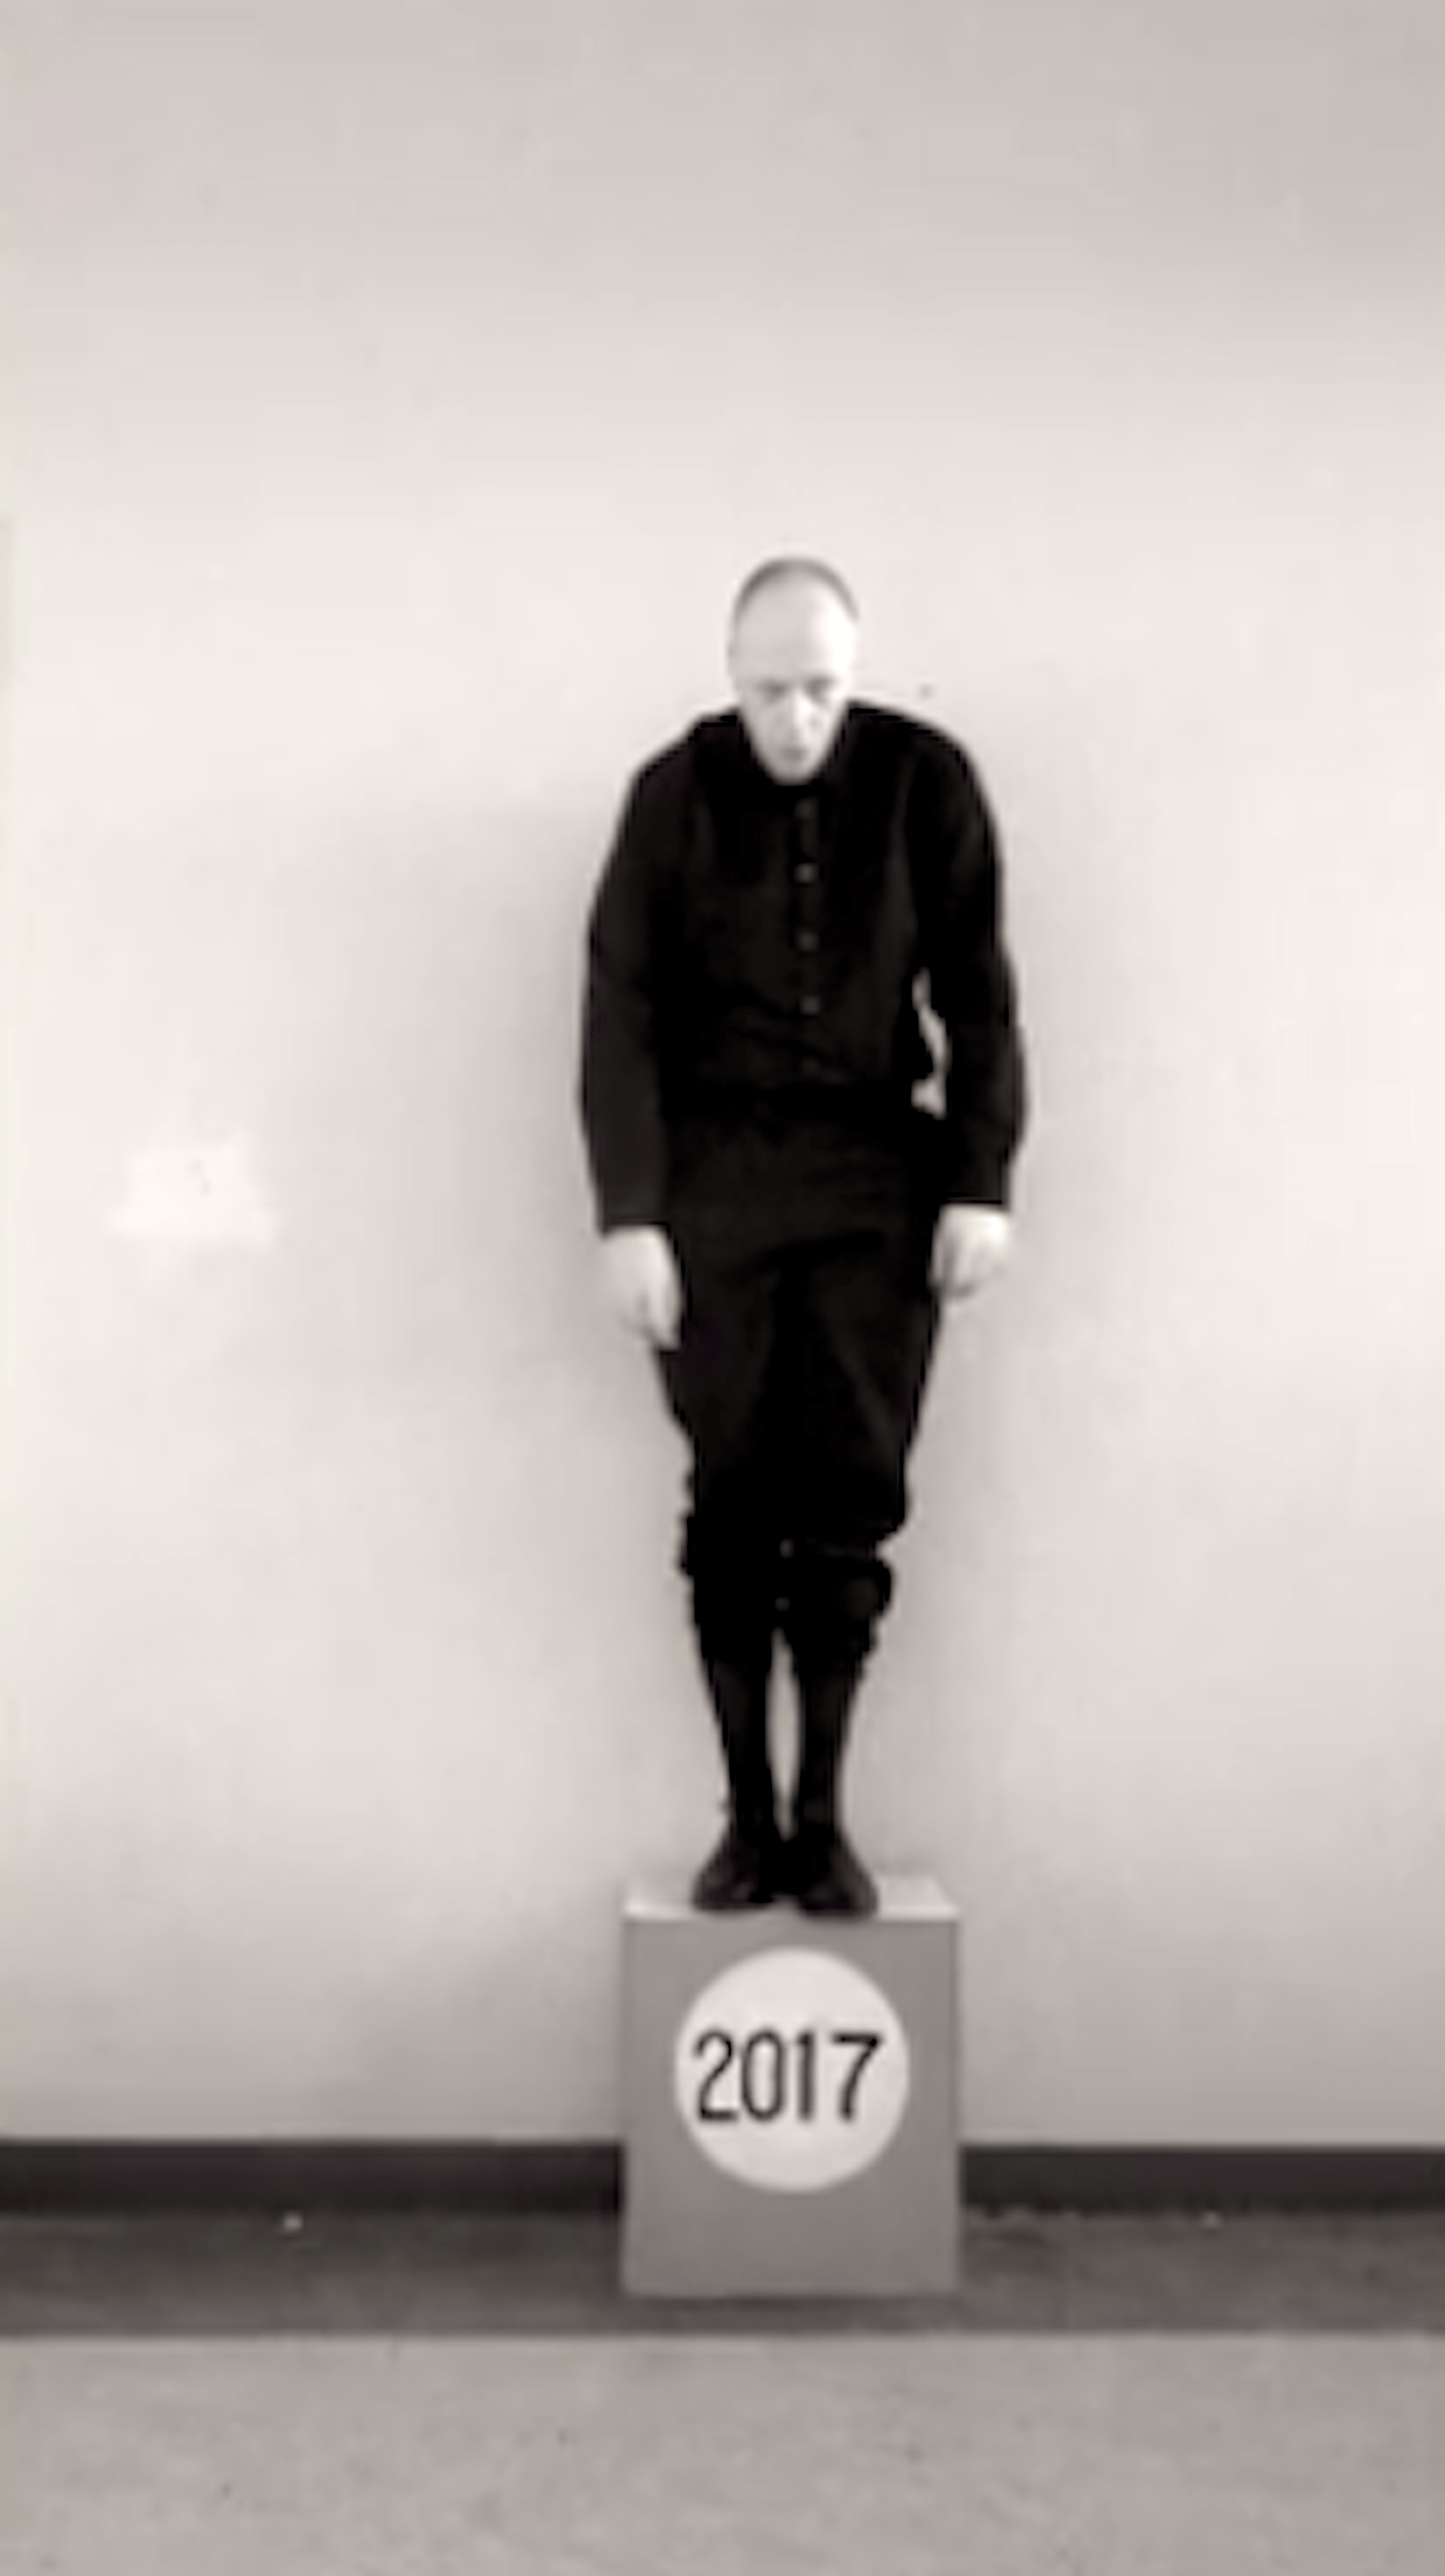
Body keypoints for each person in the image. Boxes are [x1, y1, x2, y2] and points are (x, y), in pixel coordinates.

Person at [579, 558, 1026, 1915]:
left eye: (821, 689)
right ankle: (748, 1820)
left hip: (873, 1183)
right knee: (729, 1496)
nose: (795, 720)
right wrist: (630, 1215)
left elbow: (981, 997)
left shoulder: (926, 784)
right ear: (730, 675)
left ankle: (824, 1821)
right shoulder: (671, 797)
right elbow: (617, 1017)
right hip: (710, 1185)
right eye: (769, 690)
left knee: (848, 1499)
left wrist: (980, 1182)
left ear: (856, 671)